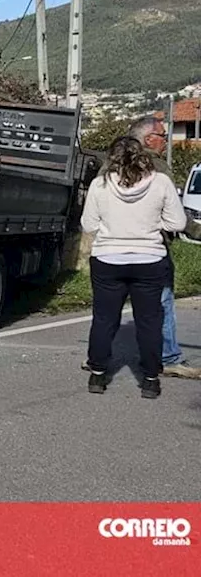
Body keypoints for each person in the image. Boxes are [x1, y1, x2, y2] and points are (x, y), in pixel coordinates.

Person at [81, 136, 188, 398]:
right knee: (149, 320)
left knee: (105, 318)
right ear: (142, 154)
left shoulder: (100, 184)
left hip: (108, 259)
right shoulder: (160, 182)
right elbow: (178, 223)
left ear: (111, 157)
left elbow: (88, 225)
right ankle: (150, 379)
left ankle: (97, 374)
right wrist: (154, 223)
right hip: (149, 260)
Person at [126, 116, 201, 379]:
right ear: (148, 140)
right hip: (151, 248)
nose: (165, 141)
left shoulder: (111, 165)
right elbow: (175, 213)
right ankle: (168, 357)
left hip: (113, 249)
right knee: (162, 301)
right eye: (162, 136)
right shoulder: (156, 167)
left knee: (109, 304)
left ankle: (98, 357)